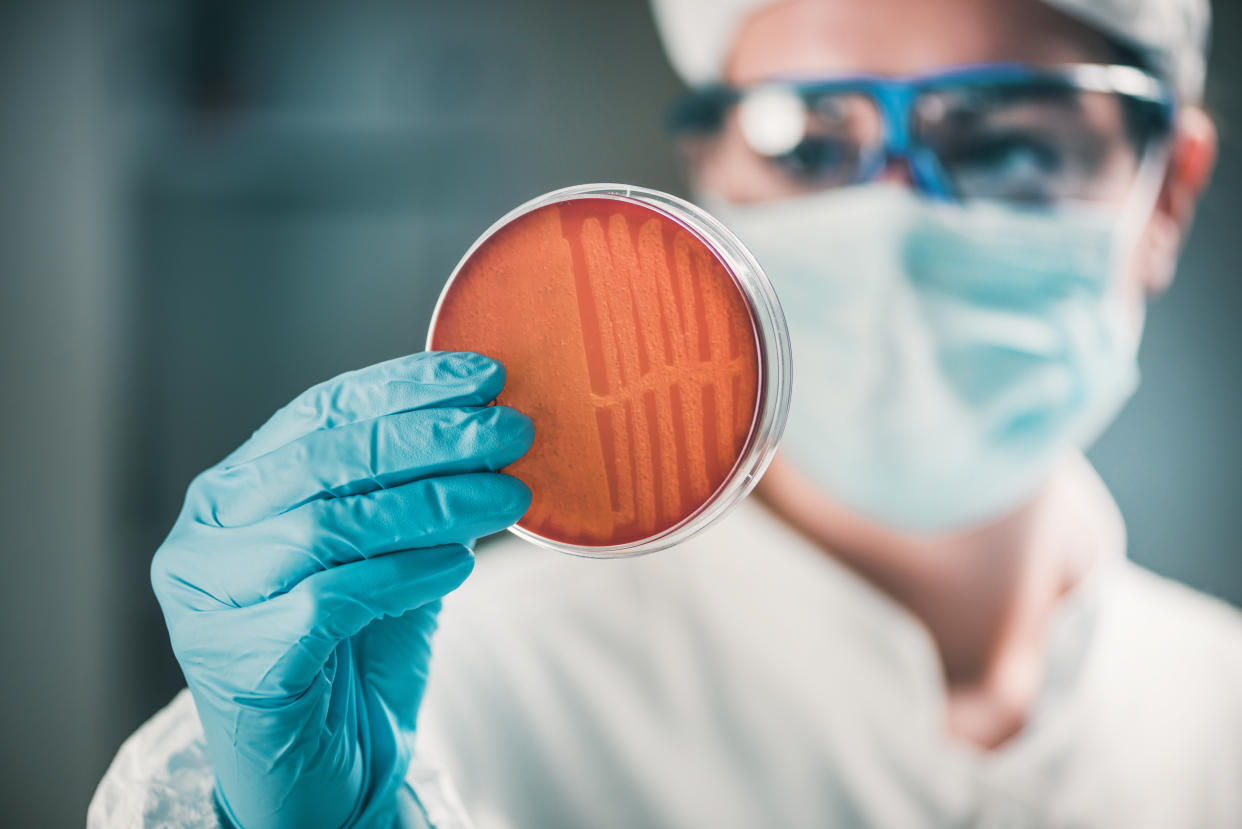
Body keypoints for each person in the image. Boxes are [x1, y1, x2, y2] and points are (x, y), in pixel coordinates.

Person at [90, 0, 1242, 827]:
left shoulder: (1219, 713)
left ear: (1169, 192)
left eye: (1005, 145)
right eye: (808, 141)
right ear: (708, 183)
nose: (891, 220)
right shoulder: (460, 699)